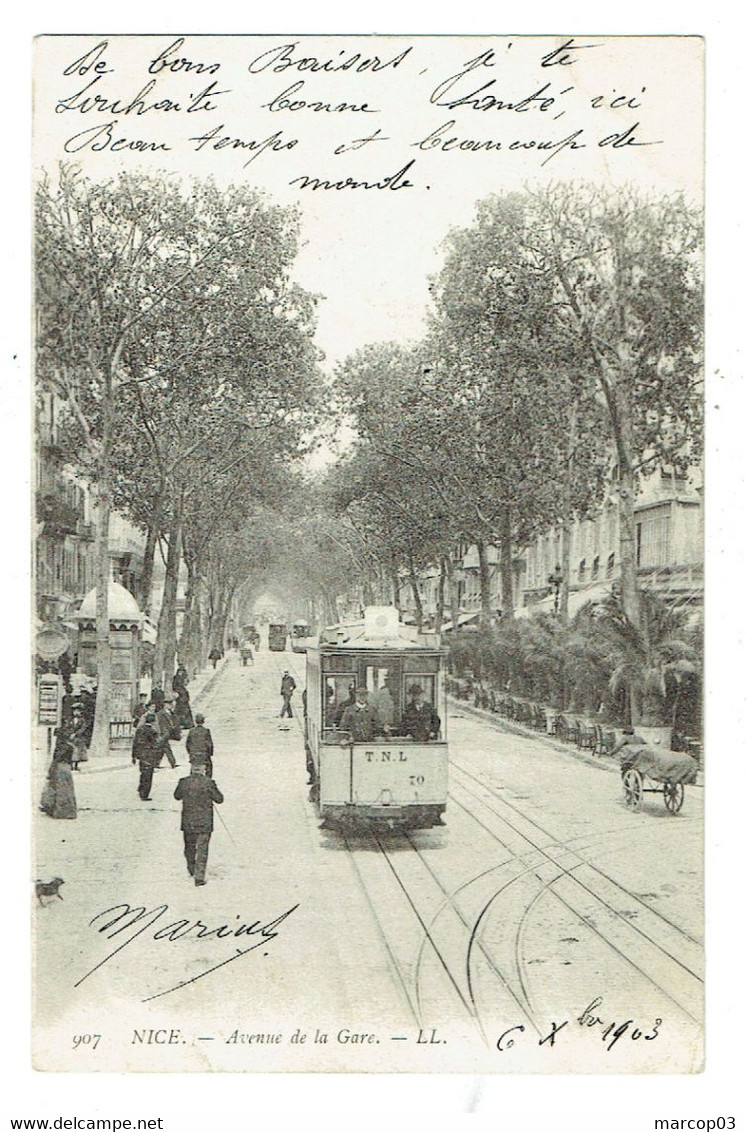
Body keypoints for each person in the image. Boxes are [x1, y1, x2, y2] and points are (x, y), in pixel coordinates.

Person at [174, 758, 224, 886]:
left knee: (189, 848)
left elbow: (177, 796)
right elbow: (219, 799)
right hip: (204, 822)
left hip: (188, 822)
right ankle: (199, 876)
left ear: (191, 768)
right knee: (202, 849)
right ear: (203, 769)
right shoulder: (209, 783)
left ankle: (191, 869)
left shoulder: (183, 782)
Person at [40, 743, 77, 819]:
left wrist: (51, 769)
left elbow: (57, 758)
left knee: (58, 789)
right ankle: (67, 811)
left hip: (60, 767)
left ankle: (58, 810)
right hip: (66, 767)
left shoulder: (61, 746)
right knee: (66, 789)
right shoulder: (71, 746)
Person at [132, 712, 161, 800]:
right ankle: (144, 794)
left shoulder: (139, 730)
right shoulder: (152, 732)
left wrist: (133, 756)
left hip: (141, 754)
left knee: (143, 773)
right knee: (148, 776)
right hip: (149, 755)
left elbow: (135, 743)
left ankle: (141, 788)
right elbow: (156, 744)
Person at [186, 713, 214, 778]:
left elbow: (187, 744)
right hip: (203, 754)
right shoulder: (206, 731)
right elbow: (209, 744)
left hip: (193, 754)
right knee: (209, 767)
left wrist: (190, 752)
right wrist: (210, 753)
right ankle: (208, 780)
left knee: (193, 767)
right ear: (203, 721)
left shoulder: (191, 731)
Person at [155, 699, 178, 769]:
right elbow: (158, 724)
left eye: (171, 704)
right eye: (169, 704)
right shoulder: (160, 713)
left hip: (167, 733)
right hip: (163, 733)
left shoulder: (171, 713)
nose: (171, 706)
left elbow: (173, 722)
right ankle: (172, 762)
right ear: (165, 705)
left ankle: (156, 763)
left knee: (163, 749)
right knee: (165, 748)